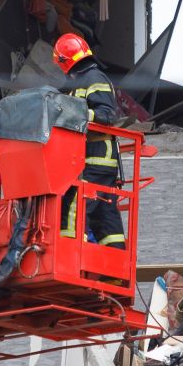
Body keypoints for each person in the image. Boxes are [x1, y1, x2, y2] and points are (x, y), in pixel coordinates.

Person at [52, 33, 125, 251]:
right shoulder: (81, 83)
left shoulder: (95, 79)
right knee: (105, 220)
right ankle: (113, 271)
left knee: (73, 210)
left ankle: (68, 258)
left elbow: (107, 115)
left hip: (95, 159)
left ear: (64, 61)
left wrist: (75, 113)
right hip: (94, 161)